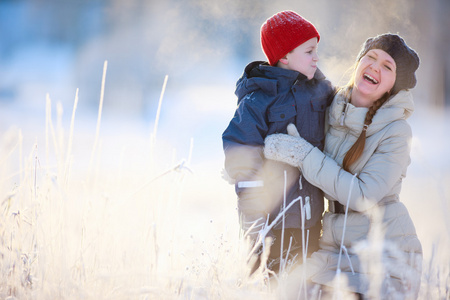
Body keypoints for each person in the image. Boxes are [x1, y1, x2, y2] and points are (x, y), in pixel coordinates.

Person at [264, 33, 422, 298]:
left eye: (387, 66)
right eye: (370, 57)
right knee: (285, 292)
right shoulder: (331, 109)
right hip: (335, 249)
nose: (375, 66)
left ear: (394, 85)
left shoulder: (396, 131)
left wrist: (304, 155)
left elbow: (362, 196)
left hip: (384, 254)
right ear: (359, 63)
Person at [222, 10, 334, 275]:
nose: (316, 56)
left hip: (314, 219)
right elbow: (242, 151)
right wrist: (254, 225)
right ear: (284, 57)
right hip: (275, 223)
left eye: (316, 49)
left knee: (312, 287)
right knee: (278, 285)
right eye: (309, 51)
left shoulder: (320, 91)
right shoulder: (258, 99)